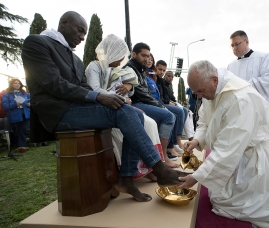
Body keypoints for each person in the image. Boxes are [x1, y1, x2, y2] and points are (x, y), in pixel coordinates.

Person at [21, 11, 185, 202]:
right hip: (58, 112)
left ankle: (126, 178)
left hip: (77, 107)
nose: (83, 37)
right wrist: (98, 96)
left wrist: (101, 97)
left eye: (85, 33)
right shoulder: (37, 42)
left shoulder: (74, 58)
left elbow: (82, 87)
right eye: (80, 30)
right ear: (63, 22)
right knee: (125, 113)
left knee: (135, 113)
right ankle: (159, 168)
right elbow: (53, 83)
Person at [179, 60, 269, 228]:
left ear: (214, 79)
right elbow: (205, 121)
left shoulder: (240, 98)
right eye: (196, 91)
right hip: (236, 154)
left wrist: (196, 178)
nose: (199, 95)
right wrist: (197, 140)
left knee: (251, 206)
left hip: (254, 156)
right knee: (224, 198)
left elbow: (227, 150)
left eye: (200, 91)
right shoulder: (211, 90)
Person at [85, 34, 164, 181]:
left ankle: (150, 167)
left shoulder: (114, 69)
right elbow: (94, 90)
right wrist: (123, 98)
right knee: (127, 128)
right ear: (111, 53)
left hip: (120, 105)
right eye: (119, 56)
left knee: (150, 123)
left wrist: (129, 87)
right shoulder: (94, 67)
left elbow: (129, 90)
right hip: (106, 108)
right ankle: (133, 171)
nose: (121, 60)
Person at [124, 42, 179, 168]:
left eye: (148, 56)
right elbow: (141, 94)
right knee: (169, 116)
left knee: (171, 114)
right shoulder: (130, 69)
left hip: (142, 102)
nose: (147, 59)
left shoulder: (140, 69)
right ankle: (163, 157)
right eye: (144, 55)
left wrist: (159, 105)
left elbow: (147, 93)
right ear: (133, 54)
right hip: (136, 104)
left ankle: (162, 156)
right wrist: (161, 106)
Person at [227, 30, 269, 137]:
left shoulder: (263, 57)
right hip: (242, 111)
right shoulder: (230, 66)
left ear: (246, 42)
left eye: (237, 44)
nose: (234, 48)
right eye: (232, 45)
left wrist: (243, 86)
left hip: (261, 108)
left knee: (266, 145)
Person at [154, 61, 187, 156]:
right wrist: (168, 102)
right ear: (155, 68)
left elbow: (171, 98)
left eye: (163, 70)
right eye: (160, 69)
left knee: (184, 110)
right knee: (178, 112)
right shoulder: (158, 81)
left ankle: (176, 142)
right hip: (159, 103)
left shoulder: (163, 83)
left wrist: (173, 102)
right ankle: (174, 143)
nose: (161, 72)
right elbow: (160, 98)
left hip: (161, 103)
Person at [1, 79, 30, 152]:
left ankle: (22, 146)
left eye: (19, 83)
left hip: (25, 114)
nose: (17, 85)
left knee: (24, 130)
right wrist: (15, 104)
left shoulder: (25, 94)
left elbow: (32, 101)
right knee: (16, 131)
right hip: (14, 116)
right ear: (11, 84)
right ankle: (18, 145)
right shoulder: (6, 95)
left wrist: (30, 104)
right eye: (15, 83)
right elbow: (5, 106)